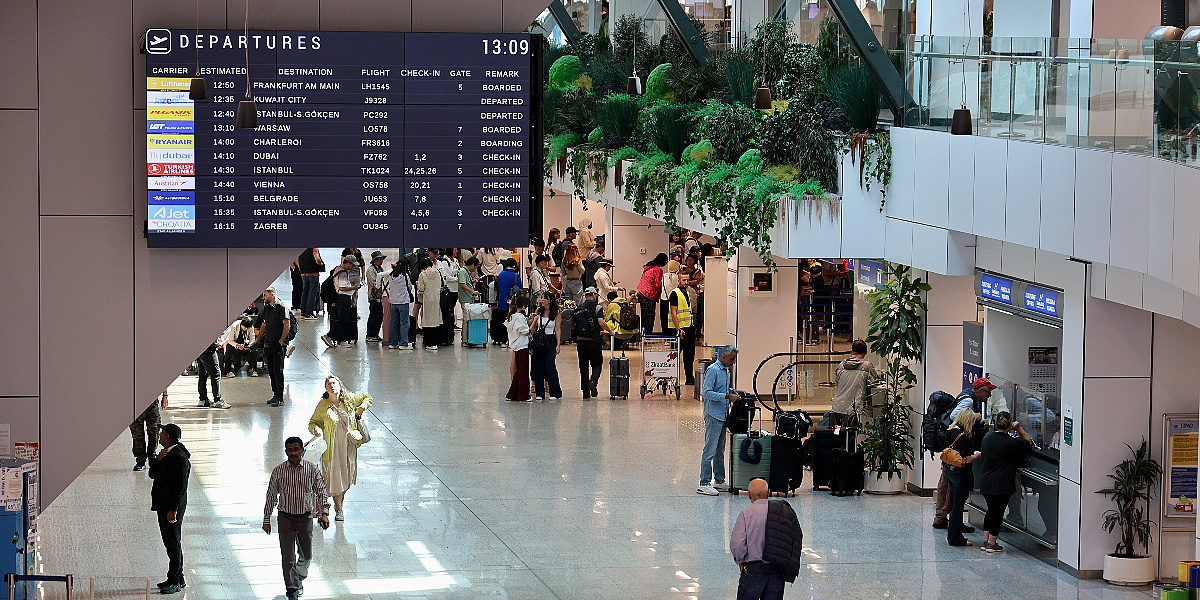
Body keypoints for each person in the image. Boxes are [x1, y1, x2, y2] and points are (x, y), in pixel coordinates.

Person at [264, 436, 330, 600]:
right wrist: (266, 519)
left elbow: (321, 491)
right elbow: (271, 496)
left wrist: (324, 513)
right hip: (285, 518)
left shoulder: (311, 469)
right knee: (288, 557)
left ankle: (299, 577)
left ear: (302, 450)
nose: (293, 453)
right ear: (286, 451)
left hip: (305, 517)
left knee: (306, 554)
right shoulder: (279, 471)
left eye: (296, 449)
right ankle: (292, 590)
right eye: (290, 450)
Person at [934, 377, 997, 529]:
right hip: (958, 448)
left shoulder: (967, 395)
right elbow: (955, 416)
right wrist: (975, 417)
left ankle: (943, 517)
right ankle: (947, 519)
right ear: (979, 391)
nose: (989, 396)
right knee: (953, 485)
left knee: (947, 481)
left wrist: (979, 422)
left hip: (952, 445)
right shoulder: (969, 400)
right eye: (988, 392)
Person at [307, 375, 373, 521]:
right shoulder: (323, 405)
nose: (332, 386)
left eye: (334, 383)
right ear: (326, 389)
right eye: (328, 384)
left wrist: (362, 407)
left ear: (340, 385)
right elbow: (312, 422)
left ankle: (340, 500)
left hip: (349, 446)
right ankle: (339, 509)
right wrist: (315, 429)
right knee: (336, 477)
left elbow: (368, 397)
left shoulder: (349, 399)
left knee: (347, 477)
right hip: (332, 448)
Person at [731, 478, 804, 600]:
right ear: (768, 492)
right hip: (776, 569)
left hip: (753, 569)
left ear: (749, 495)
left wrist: (741, 562)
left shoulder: (746, 514)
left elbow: (737, 544)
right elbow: (794, 538)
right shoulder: (782, 512)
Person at [977, 411, 1033, 553]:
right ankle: (992, 543)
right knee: (998, 512)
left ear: (996, 423)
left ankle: (985, 541)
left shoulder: (988, 437)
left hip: (986, 480)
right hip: (1002, 483)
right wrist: (1019, 428)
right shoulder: (1012, 442)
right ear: (1010, 425)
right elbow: (1028, 442)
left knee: (991, 510)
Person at [149, 423, 190, 594]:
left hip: (171, 507)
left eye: (162, 432)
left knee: (173, 542)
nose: (159, 435)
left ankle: (175, 580)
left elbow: (180, 487)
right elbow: (152, 474)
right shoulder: (166, 454)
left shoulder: (179, 457)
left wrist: (173, 509)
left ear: (168, 437)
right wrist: (157, 459)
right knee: (169, 541)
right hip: (163, 504)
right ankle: (177, 577)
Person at [699, 346, 739, 496]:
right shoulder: (713, 370)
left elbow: (722, 388)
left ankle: (719, 480)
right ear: (724, 356)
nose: (733, 362)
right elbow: (707, 392)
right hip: (713, 415)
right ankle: (704, 483)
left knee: (719, 450)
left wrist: (732, 391)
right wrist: (727, 397)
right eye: (732, 359)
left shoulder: (726, 370)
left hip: (723, 415)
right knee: (710, 449)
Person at [943, 408, 982, 547]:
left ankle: (953, 535)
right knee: (958, 506)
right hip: (961, 473)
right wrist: (978, 456)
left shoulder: (950, 431)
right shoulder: (963, 437)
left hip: (950, 470)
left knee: (955, 504)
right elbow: (966, 459)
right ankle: (955, 538)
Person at [255, 286, 291, 407]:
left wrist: (281, 341)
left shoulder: (282, 307)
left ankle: (279, 397)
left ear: (272, 295)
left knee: (278, 371)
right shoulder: (267, 308)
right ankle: (275, 394)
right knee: (271, 371)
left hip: (278, 345)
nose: (263, 298)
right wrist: (258, 339)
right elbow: (264, 325)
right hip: (268, 344)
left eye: (265, 295)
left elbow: (287, 325)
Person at [575, 286, 613, 399]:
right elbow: (601, 322)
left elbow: (573, 324)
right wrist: (610, 331)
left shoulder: (579, 308)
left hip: (580, 341)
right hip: (594, 340)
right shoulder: (597, 308)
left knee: (583, 366)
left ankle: (585, 392)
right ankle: (593, 381)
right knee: (597, 364)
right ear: (593, 295)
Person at [828, 340, 877, 426]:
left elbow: (838, 383)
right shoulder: (867, 366)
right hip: (854, 409)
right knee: (852, 433)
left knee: (837, 433)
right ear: (866, 352)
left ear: (851, 351)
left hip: (837, 407)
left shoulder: (841, 365)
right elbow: (875, 383)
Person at [530, 292, 563, 401]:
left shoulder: (556, 313)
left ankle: (555, 391)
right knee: (538, 366)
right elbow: (533, 326)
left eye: (544, 298)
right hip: (539, 340)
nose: (542, 300)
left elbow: (558, 329)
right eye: (542, 298)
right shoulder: (539, 312)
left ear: (550, 301)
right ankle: (540, 392)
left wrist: (558, 344)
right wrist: (534, 318)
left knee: (550, 365)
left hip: (551, 340)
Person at [326, 255, 362, 348]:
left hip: (340, 298)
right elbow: (342, 287)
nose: (353, 267)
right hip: (344, 298)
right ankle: (337, 339)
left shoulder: (337, 269)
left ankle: (333, 337)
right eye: (352, 265)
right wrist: (354, 287)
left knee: (341, 319)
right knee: (343, 320)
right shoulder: (343, 273)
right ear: (348, 263)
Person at [666, 279, 697, 386]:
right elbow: (674, 313)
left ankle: (689, 377)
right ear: (679, 280)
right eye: (684, 280)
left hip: (688, 327)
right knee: (673, 355)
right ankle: (668, 376)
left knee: (689, 355)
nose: (686, 282)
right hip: (679, 330)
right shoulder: (675, 293)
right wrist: (678, 329)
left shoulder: (687, 293)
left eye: (687, 280)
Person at [504, 294, 532, 402]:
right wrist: (532, 323)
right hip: (522, 345)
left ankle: (514, 393)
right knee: (523, 371)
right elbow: (525, 331)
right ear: (524, 305)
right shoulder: (520, 317)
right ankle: (523, 395)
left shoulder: (511, 317)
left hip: (516, 346)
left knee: (519, 370)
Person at [492, 258, 522, 346]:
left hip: (502, 302)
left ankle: (502, 340)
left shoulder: (501, 275)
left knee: (502, 321)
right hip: (512, 303)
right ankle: (512, 339)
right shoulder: (516, 276)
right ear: (514, 266)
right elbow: (520, 289)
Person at [415, 257, 443, 350]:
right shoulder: (437, 272)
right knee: (436, 319)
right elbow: (441, 284)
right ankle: (437, 341)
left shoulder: (422, 274)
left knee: (428, 320)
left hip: (427, 299)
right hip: (437, 298)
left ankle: (430, 343)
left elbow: (421, 288)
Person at [194, 338, 230, 409]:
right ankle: (217, 400)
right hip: (209, 348)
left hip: (198, 347)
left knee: (202, 374)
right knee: (216, 374)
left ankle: (203, 399)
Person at [387, 260, 415, 350]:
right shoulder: (405, 276)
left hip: (393, 302)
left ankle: (392, 343)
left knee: (394, 323)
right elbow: (409, 287)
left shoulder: (391, 276)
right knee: (404, 323)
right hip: (403, 302)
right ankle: (403, 343)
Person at [637, 253, 668, 334]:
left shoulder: (648, 267)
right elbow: (658, 284)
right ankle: (648, 335)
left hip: (642, 292)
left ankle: (643, 334)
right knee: (650, 317)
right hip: (650, 294)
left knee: (644, 316)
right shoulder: (658, 269)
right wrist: (661, 293)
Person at [130, 395, 161, 471]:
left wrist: (165, 396)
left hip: (152, 402)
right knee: (137, 433)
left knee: (154, 431)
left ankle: (152, 457)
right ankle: (140, 461)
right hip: (135, 402)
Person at [436, 248, 460, 346]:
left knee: (451, 310)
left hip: (456, 289)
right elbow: (446, 276)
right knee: (447, 311)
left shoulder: (456, 261)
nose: (456, 251)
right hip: (449, 290)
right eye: (455, 249)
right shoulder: (445, 262)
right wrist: (457, 279)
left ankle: (451, 328)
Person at [365, 250, 388, 342]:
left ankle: (375, 334)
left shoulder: (380, 269)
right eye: (380, 259)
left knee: (379, 316)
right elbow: (374, 283)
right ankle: (370, 335)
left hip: (381, 296)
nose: (382, 261)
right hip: (374, 297)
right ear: (375, 260)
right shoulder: (371, 270)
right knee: (374, 315)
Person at [297, 248, 325, 319]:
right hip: (313, 273)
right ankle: (309, 313)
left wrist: (300, 268)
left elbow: (297, 259)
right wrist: (321, 264)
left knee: (304, 293)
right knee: (312, 293)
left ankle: (303, 311)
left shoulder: (301, 248)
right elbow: (317, 258)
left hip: (304, 272)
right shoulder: (314, 248)